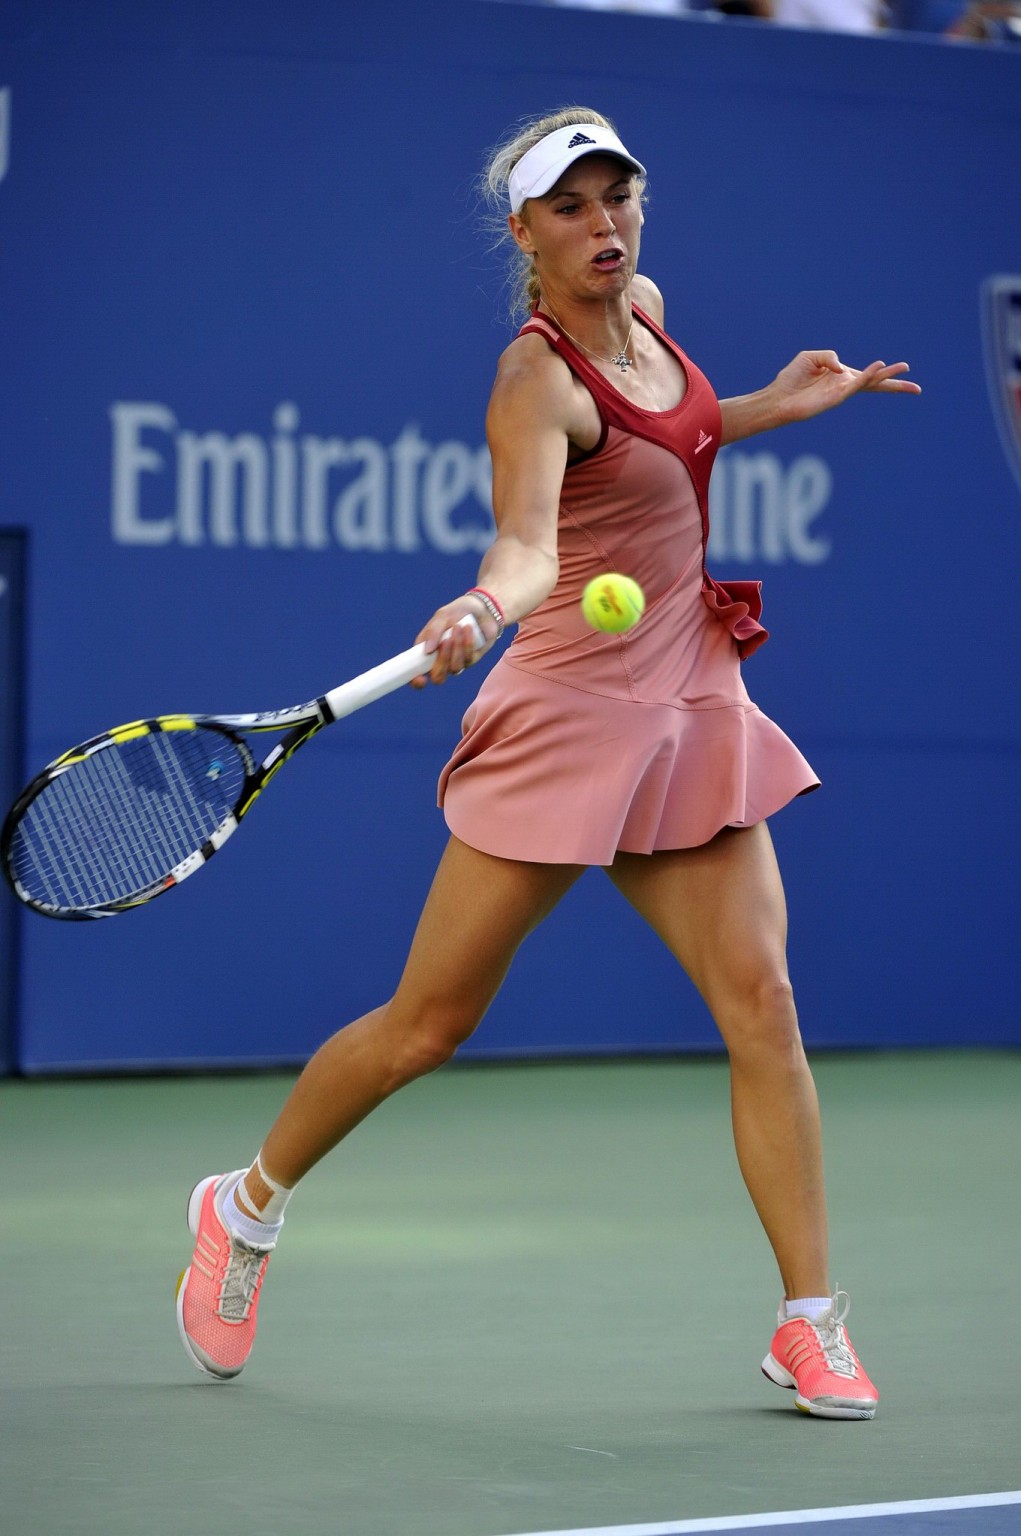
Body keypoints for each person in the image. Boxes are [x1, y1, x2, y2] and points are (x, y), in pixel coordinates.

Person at [175, 107, 920, 1419]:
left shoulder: (647, 313)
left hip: (689, 703)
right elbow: (525, 544)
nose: (603, 225)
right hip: (570, 714)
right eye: (570, 207)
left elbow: (673, 437)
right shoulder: (533, 380)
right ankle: (242, 1210)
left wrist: (773, 406)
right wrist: (480, 605)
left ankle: (807, 1320)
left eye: (616, 197)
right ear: (520, 233)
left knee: (763, 1005)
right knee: (427, 1026)